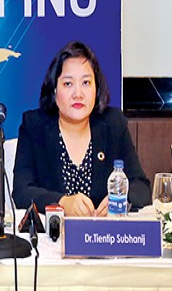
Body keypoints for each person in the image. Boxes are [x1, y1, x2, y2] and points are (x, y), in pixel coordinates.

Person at [13, 41, 150, 216]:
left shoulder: (114, 123)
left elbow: (141, 186)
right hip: (53, 236)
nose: (78, 94)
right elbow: (21, 192)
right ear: (55, 91)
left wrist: (122, 199)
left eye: (86, 82)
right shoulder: (34, 126)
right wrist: (62, 203)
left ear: (96, 88)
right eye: (68, 84)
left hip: (103, 236)